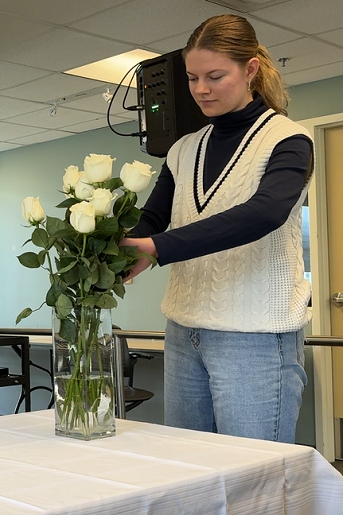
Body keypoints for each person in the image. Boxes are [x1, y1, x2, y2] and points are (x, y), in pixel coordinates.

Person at [120, 14, 313, 444]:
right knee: (192, 467)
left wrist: (157, 246)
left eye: (215, 76)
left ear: (250, 70)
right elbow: (154, 218)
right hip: (184, 330)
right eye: (192, 78)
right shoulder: (183, 148)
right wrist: (118, 252)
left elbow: (264, 213)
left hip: (256, 336)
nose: (201, 89)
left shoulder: (288, 140)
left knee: (253, 477)